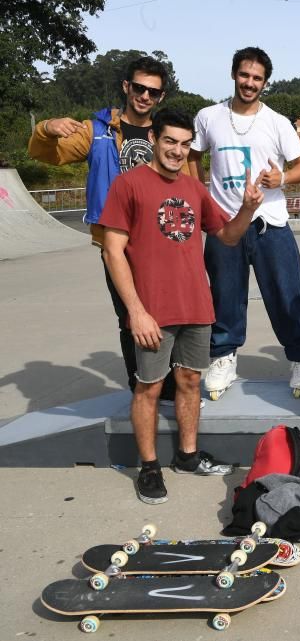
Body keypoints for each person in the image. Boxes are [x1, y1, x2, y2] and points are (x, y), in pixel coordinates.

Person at [99, 108, 263, 504]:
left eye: (185, 144)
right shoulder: (128, 185)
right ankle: (150, 466)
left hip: (196, 307)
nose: (176, 150)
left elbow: (225, 235)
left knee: (191, 383)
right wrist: (135, 311)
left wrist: (247, 208)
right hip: (153, 311)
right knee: (149, 388)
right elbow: (112, 252)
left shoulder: (194, 188)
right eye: (170, 141)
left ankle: (187, 456)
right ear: (154, 138)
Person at [28, 56, 183, 402]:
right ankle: (141, 386)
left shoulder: (166, 134)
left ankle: (170, 385)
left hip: (161, 238)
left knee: (171, 314)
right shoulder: (96, 130)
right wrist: (46, 129)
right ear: (126, 87)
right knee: (130, 315)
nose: (145, 96)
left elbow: (185, 181)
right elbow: (43, 154)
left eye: (153, 92)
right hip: (116, 241)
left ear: (161, 98)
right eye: (139, 88)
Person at [188, 47, 300, 400]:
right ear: (234, 74)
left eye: (257, 78)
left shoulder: (276, 122)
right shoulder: (208, 117)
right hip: (224, 223)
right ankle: (223, 357)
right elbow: (192, 155)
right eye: (244, 75)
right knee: (225, 295)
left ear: (265, 83)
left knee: (285, 295)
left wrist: (283, 178)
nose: (249, 83)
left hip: (269, 222)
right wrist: (200, 194)